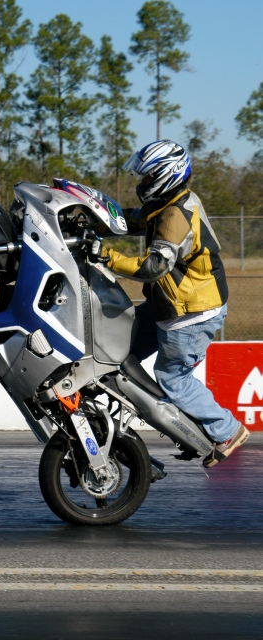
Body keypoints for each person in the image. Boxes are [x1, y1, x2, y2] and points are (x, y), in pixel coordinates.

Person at [91, 140, 250, 468]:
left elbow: (154, 267)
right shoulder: (168, 202)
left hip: (191, 313)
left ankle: (227, 430)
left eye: (147, 178)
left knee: (172, 377)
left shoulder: (176, 215)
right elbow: (133, 220)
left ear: (165, 175)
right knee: (117, 347)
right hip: (170, 305)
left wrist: (106, 255)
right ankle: (183, 428)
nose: (141, 184)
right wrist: (90, 218)